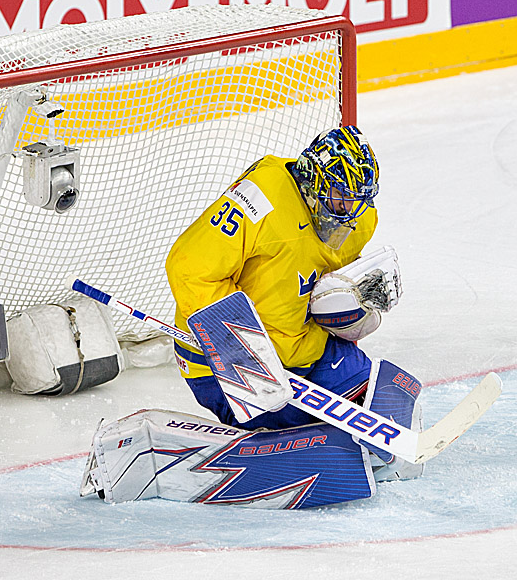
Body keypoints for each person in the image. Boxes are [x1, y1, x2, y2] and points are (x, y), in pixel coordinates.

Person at [165, 124, 400, 431]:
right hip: (226, 361)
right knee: (301, 428)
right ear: (315, 180)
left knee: (379, 402)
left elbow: (328, 286)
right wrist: (240, 346)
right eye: (341, 196)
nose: (350, 212)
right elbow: (189, 266)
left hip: (305, 350)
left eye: (358, 200)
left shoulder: (360, 220)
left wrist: (359, 303)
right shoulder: (262, 197)